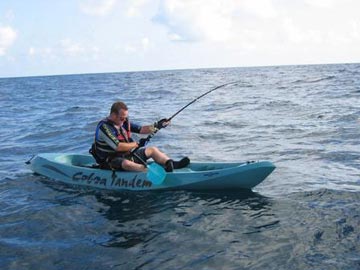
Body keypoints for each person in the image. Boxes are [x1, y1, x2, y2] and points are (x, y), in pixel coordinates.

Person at [90, 101, 190, 172]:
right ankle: (148, 171)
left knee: (152, 150)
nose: (124, 120)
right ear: (113, 115)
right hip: (111, 161)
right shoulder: (104, 127)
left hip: (128, 155)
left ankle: (170, 163)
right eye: (122, 118)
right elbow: (118, 146)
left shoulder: (122, 122)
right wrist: (137, 144)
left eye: (125, 118)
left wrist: (157, 125)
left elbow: (142, 129)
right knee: (127, 164)